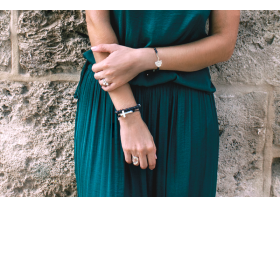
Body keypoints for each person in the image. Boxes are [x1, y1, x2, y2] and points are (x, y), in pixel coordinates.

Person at [73, 10, 240, 197]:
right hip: (113, 99)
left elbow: (224, 43)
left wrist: (144, 59)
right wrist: (128, 115)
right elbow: (97, 21)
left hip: (185, 106)